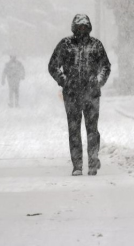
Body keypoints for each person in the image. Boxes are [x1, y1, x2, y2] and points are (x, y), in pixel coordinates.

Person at [48, 14, 111, 176]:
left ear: (89, 27)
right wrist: (64, 80)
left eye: (85, 26)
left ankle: (92, 161)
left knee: (92, 130)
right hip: (72, 95)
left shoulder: (96, 45)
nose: (82, 29)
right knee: (74, 130)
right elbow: (53, 66)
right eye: (79, 26)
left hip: (92, 94)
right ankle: (77, 165)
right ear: (74, 27)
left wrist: (98, 81)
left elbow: (105, 66)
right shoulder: (65, 45)